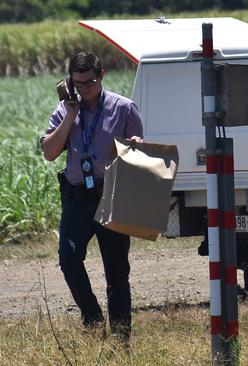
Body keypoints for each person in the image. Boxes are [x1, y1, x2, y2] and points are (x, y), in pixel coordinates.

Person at [41, 51, 143, 341]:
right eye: (79, 83)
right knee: (69, 259)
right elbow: (49, 153)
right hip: (76, 199)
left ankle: (121, 337)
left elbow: (138, 147)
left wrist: (136, 144)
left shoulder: (124, 108)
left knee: (116, 273)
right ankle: (93, 319)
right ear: (70, 82)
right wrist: (71, 114)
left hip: (110, 196)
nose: (85, 89)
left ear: (102, 76)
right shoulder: (64, 110)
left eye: (90, 82)